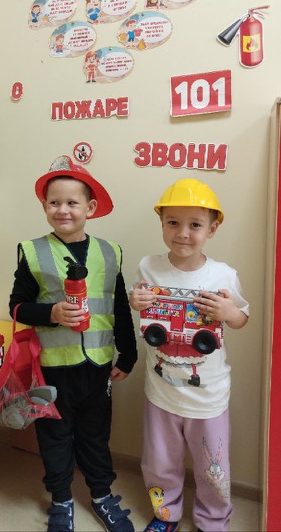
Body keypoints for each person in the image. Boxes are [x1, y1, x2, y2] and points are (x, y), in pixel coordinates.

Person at [9, 155, 137, 532]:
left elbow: (119, 307)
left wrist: (128, 355)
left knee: (96, 435)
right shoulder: (33, 251)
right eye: (54, 202)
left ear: (90, 208)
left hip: (98, 366)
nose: (62, 209)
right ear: (44, 207)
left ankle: (101, 495)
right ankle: (61, 500)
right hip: (52, 368)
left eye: (71, 202)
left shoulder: (110, 252)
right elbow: (17, 306)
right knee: (54, 436)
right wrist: (51, 313)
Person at [129, 178, 249, 532]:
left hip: (208, 397)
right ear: (162, 223)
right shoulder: (148, 266)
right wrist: (136, 301)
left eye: (195, 224)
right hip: (160, 392)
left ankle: (213, 521)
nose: (183, 233)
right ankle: (165, 514)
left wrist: (228, 312)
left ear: (212, 229)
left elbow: (241, 319)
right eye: (173, 222)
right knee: (159, 463)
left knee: (214, 468)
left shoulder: (223, 275)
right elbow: (141, 305)